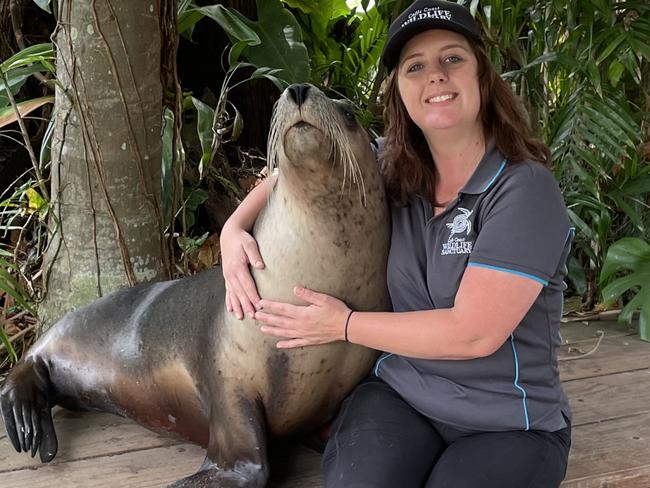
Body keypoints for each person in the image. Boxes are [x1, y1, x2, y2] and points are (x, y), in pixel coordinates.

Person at [219, 0, 573, 486]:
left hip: (508, 422)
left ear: (483, 76)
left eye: (452, 58)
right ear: (401, 91)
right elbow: (295, 167)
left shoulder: (524, 190)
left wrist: (342, 325)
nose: (436, 76)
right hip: (401, 397)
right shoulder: (391, 168)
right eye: (415, 66)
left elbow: (475, 333)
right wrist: (232, 229)